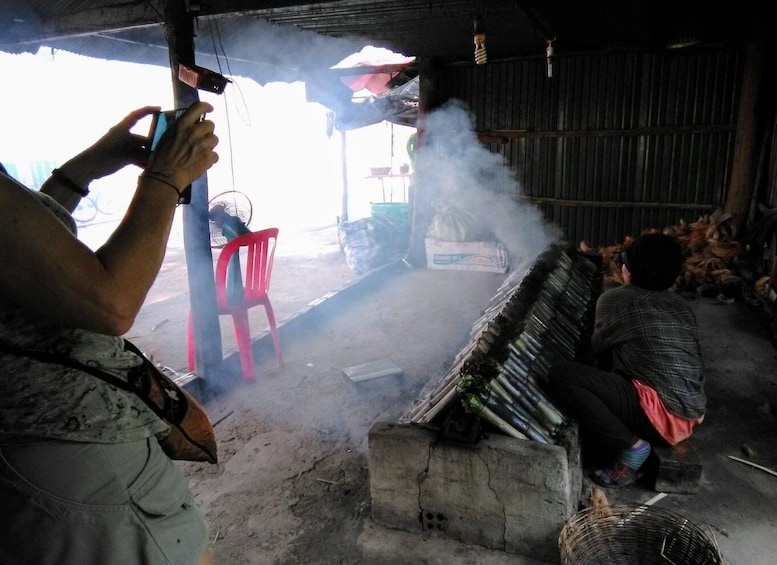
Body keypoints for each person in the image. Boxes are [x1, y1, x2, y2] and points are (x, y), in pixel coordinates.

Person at [0, 102, 219, 564]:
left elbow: (24, 252)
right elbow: (111, 303)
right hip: (75, 451)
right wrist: (166, 179)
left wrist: (86, 168)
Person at [547, 233, 705, 488]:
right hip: (689, 411)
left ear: (626, 271)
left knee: (563, 375)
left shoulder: (616, 299)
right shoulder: (680, 305)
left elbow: (595, 348)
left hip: (661, 417)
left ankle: (631, 448)